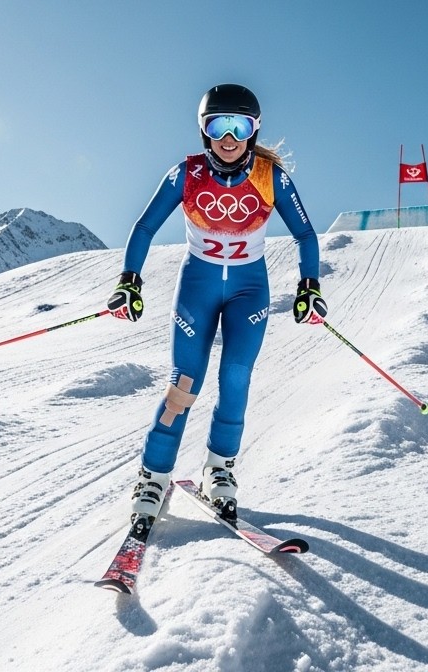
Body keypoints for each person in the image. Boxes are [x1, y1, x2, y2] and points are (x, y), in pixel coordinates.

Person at [107, 83, 327, 534]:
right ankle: (153, 478)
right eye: (217, 126)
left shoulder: (271, 177)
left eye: (239, 126)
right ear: (204, 132)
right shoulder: (185, 174)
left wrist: (309, 286)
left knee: (236, 378)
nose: (229, 138)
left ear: (254, 129)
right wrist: (129, 279)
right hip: (198, 285)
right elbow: (145, 226)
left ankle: (219, 469)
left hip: (249, 289)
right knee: (183, 384)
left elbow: (305, 235)